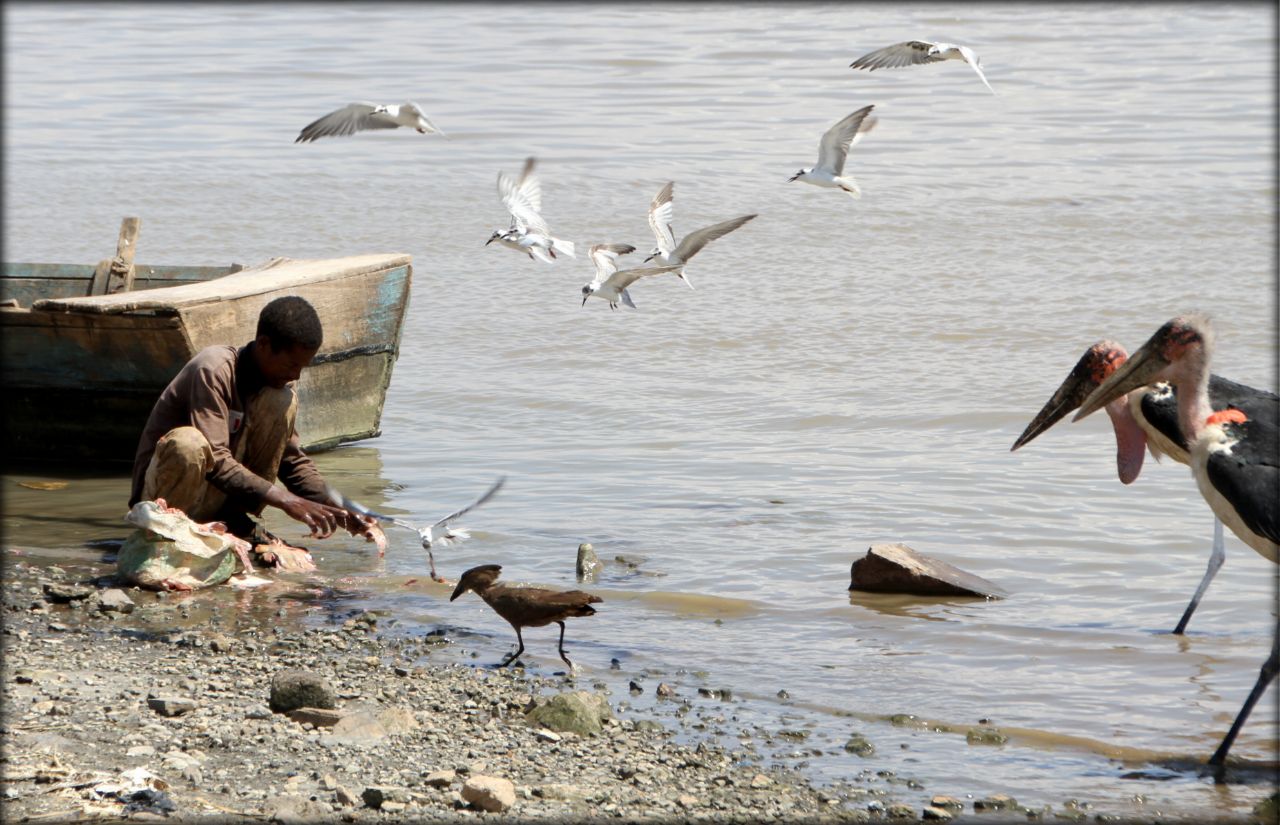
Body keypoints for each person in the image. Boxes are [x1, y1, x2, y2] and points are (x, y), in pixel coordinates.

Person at [129, 295, 367, 544]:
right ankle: (163, 533)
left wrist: (338, 506)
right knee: (188, 443)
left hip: (213, 499)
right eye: (290, 365)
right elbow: (217, 460)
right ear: (263, 344)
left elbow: (291, 461)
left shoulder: (277, 389)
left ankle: (232, 520)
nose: (295, 374)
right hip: (160, 499)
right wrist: (286, 501)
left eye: (301, 368)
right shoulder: (214, 370)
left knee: (282, 400)